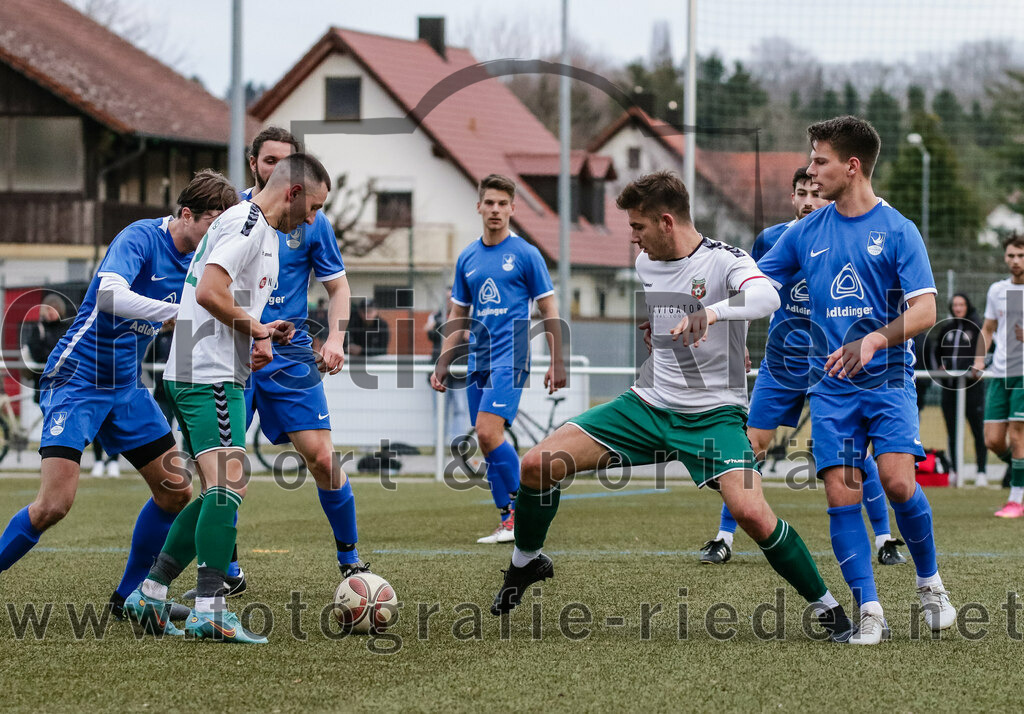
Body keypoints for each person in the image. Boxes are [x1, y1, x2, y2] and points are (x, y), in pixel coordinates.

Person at [490, 171, 856, 643]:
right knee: (537, 465)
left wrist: (715, 313)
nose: (633, 238)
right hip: (647, 405)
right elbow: (671, 314)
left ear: (666, 221)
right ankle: (526, 562)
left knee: (752, 513)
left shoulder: (726, 260)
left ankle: (829, 610)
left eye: (638, 227)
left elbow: (767, 296)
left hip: (713, 416)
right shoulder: (647, 262)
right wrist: (659, 330)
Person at [758, 116, 956, 645]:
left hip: (887, 379)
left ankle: (929, 582)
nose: (811, 170)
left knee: (896, 483)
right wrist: (704, 309)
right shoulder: (803, 232)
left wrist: (873, 340)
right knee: (842, 496)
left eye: (820, 161)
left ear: (851, 166)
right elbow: (758, 285)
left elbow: (926, 310)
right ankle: (869, 610)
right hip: (831, 386)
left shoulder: (898, 230)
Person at [0, 171, 237, 606]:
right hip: (77, 378)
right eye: (211, 225)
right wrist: (178, 311)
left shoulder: (202, 260)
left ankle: (128, 595)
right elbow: (109, 296)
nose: (215, 237)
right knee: (54, 504)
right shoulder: (141, 237)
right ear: (187, 214)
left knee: (175, 491)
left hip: (125, 387)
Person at [126, 153, 329, 644]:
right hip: (206, 374)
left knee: (226, 486)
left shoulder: (265, 234)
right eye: (316, 206)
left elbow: (229, 300)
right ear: (294, 192)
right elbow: (208, 293)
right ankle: (209, 608)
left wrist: (259, 339)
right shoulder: (247, 223)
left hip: (217, 371)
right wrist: (256, 327)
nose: (315, 219)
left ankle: (151, 592)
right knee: (228, 485)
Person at [700, 167, 906, 568]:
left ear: (830, 197)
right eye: (801, 193)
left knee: (852, 452)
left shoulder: (847, 237)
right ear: (792, 198)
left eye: (817, 192)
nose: (809, 200)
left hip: (831, 360)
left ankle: (884, 538)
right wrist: (735, 343)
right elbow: (752, 292)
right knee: (749, 445)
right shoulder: (774, 239)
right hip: (782, 360)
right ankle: (724, 537)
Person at [214, 127, 368, 593]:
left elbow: (338, 287)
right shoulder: (232, 214)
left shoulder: (312, 220)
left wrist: (336, 338)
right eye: (268, 160)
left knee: (322, 457)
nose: (275, 167)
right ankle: (227, 570)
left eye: (285, 159)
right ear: (255, 163)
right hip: (233, 349)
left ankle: (350, 559)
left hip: (290, 352)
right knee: (223, 468)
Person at [431, 173, 566, 545]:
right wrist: (444, 360)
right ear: (479, 207)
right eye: (489, 203)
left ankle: (526, 501)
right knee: (487, 440)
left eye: (502, 204)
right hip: (479, 357)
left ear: (512, 208)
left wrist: (559, 360)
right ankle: (509, 519)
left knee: (489, 433)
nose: (495, 210)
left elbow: (549, 307)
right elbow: (457, 314)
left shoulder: (526, 254)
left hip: (514, 353)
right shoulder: (468, 258)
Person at [974, 234, 1024, 515]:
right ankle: (1021, 472)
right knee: (993, 440)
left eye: (1021, 255)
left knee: (1018, 435)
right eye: (1011, 255)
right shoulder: (997, 290)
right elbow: (988, 329)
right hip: (1000, 372)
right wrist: (979, 360)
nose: (1015, 261)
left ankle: (1016, 499)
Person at [933, 293, 986, 486]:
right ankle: (954, 470)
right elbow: (937, 351)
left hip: (972, 389)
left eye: (961, 304)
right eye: (954, 304)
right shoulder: (947, 328)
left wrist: (979, 365)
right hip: (950, 389)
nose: (957, 308)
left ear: (967, 305)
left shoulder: (977, 327)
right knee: (953, 431)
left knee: (978, 430)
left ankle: (982, 472)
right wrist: (940, 365)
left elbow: (988, 349)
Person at [426, 287, 471, 446]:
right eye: (446, 298)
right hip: (440, 372)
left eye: (451, 298)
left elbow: (471, 338)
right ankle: (439, 444)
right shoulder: (436, 316)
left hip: (460, 372)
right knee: (440, 411)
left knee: (460, 408)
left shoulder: (469, 317)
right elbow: (431, 333)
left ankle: (457, 444)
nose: (449, 301)